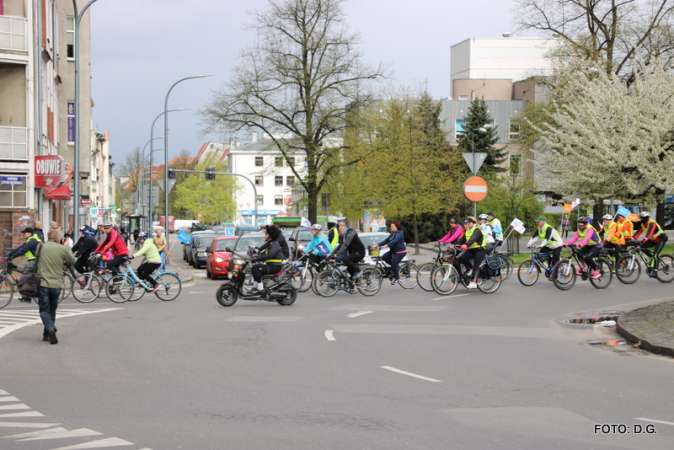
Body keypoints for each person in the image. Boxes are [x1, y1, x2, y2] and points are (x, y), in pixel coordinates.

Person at [37, 229, 76, 344]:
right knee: (52, 309)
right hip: (57, 283)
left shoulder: (41, 246)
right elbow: (72, 261)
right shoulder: (63, 248)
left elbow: (36, 258)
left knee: (44, 309)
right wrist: (67, 247)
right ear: (59, 239)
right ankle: (47, 335)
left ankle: (49, 329)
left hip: (43, 282)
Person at [9, 227, 43, 303]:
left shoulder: (33, 240)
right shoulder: (30, 240)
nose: (23, 234)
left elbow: (24, 249)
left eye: (25, 233)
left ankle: (28, 293)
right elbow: (21, 247)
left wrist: (13, 256)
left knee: (22, 271)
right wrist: (11, 253)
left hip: (36, 261)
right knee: (26, 275)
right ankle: (26, 294)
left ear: (29, 233)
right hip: (33, 261)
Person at [329, 219, 366, 290]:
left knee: (346, 259)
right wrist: (332, 253)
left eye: (340, 231)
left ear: (344, 229)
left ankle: (358, 271)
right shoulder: (344, 235)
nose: (340, 233)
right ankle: (352, 287)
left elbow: (345, 244)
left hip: (359, 252)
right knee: (348, 268)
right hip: (353, 253)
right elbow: (340, 245)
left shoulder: (350, 233)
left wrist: (338, 254)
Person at [632, 211, 668, 276]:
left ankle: (655, 272)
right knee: (641, 247)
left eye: (643, 218)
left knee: (655, 255)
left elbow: (649, 234)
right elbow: (638, 232)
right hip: (653, 240)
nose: (641, 219)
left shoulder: (651, 223)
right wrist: (631, 239)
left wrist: (643, 241)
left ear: (647, 218)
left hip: (661, 239)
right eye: (641, 218)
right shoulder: (643, 224)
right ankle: (652, 259)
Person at [250, 225, 285, 294]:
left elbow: (270, 255)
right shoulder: (269, 243)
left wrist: (257, 258)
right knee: (254, 267)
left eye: (266, 234)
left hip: (275, 267)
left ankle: (260, 288)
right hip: (271, 265)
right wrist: (255, 251)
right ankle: (255, 286)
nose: (264, 236)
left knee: (256, 268)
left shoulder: (274, 244)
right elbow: (261, 249)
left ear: (270, 235)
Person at [456, 217, 487, 289]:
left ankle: (474, 282)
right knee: (461, 257)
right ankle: (471, 269)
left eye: (469, 222)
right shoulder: (468, 230)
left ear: (473, 223)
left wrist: (466, 245)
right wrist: (455, 244)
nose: (468, 224)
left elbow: (473, 239)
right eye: (467, 222)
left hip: (480, 249)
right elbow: (462, 239)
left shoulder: (477, 230)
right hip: (472, 249)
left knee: (477, 264)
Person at [375, 221, 407, 286]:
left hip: (400, 251)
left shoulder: (400, 233)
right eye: (390, 226)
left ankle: (397, 279)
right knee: (384, 257)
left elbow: (395, 240)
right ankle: (395, 268)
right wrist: (378, 245)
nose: (391, 227)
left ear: (396, 227)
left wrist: (387, 245)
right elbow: (386, 240)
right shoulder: (392, 234)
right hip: (393, 251)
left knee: (394, 263)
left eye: (392, 226)